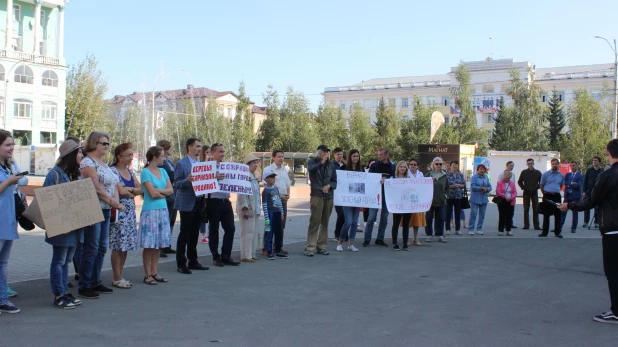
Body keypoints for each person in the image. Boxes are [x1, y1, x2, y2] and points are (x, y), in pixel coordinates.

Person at [559, 139, 618, 324]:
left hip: (612, 230)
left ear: (608, 153)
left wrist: (569, 205)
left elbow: (590, 201)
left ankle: (616, 311)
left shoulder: (607, 176)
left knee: (613, 272)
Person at [78, 131, 124, 299]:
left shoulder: (102, 163)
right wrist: (114, 203)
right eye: (103, 143)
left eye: (108, 143)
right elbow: (95, 187)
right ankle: (85, 284)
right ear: (93, 144)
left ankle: (96, 281)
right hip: (94, 208)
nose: (106, 146)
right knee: (92, 247)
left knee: (102, 246)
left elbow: (114, 185)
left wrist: (114, 202)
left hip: (106, 209)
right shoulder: (87, 162)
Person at [44, 140, 84, 308]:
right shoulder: (55, 174)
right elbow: (46, 199)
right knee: (59, 260)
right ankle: (59, 294)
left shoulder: (74, 174)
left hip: (73, 226)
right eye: (79, 153)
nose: (82, 156)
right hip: (61, 226)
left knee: (66, 260)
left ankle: (64, 292)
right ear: (70, 155)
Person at [174, 138, 209, 274]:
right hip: (186, 202)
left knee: (194, 233)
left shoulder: (201, 163)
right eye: (197, 146)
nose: (199, 149)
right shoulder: (181, 164)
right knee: (185, 233)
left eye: (200, 146)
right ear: (189, 147)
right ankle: (181, 263)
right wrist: (187, 180)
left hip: (199, 201)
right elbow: (176, 183)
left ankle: (193, 260)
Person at [139, 146, 174, 285]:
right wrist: (162, 192)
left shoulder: (163, 171)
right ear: (154, 157)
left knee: (158, 243)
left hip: (162, 210)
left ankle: (155, 271)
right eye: (162, 156)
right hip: (150, 211)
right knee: (149, 244)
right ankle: (147, 273)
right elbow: (152, 194)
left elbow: (171, 190)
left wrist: (158, 191)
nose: (164, 158)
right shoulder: (145, 172)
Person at [109, 143, 142, 288]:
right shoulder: (113, 171)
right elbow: (121, 192)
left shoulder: (130, 172)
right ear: (119, 157)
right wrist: (130, 190)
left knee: (126, 244)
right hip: (119, 213)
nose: (131, 158)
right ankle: (116, 276)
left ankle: (119, 275)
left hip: (129, 213)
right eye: (129, 155)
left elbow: (140, 189)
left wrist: (129, 190)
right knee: (118, 244)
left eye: (132, 155)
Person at [208, 142, 240, 267]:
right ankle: (216, 256)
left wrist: (243, 180)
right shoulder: (208, 167)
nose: (222, 154)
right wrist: (214, 176)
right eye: (220, 151)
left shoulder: (227, 166)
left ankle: (226, 255)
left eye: (223, 151)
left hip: (225, 201)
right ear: (213, 153)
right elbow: (201, 180)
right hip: (213, 201)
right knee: (214, 229)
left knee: (230, 229)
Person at [0, 130, 21, 313]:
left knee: (3, 263)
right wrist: (9, 181)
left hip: (8, 222)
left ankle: (2, 299)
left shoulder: (7, 166)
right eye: (7, 145)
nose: (12, 148)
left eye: (12, 144)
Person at [304, 144, 337, 256]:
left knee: (325, 222)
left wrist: (329, 186)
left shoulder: (331, 165)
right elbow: (311, 170)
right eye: (324, 152)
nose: (326, 154)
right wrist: (321, 163)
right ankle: (310, 247)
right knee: (315, 222)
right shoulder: (312, 162)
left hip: (328, 196)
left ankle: (322, 246)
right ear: (318, 152)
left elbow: (335, 181)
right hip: (317, 195)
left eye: (327, 152)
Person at [363, 148, 395, 247]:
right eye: (378, 154)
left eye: (381, 154)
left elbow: (395, 178)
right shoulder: (374, 166)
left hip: (387, 195)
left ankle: (380, 239)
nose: (379, 156)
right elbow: (369, 179)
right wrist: (378, 180)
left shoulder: (393, 166)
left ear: (386, 155)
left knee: (384, 218)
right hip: (375, 194)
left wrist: (388, 180)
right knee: (371, 217)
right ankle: (367, 239)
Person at [263, 149, 290, 255]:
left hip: (283, 202)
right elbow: (267, 186)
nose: (281, 159)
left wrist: (288, 195)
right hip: (271, 203)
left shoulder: (284, 170)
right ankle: (266, 248)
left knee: (281, 224)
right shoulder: (268, 170)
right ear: (273, 158)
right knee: (269, 224)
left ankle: (278, 246)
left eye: (282, 156)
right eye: (279, 156)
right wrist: (280, 196)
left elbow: (288, 184)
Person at [336, 149, 363, 253]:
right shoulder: (343, 168)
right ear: (350, 157)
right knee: (348, 222)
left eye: (357, 156)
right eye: (354, 156)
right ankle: (340, 243)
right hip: (347, 199)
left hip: (357, 199)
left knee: (355, 223)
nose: (356, 158)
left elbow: (367, 181)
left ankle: (351, 244)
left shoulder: (361, 168)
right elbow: (339, 181)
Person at [237, 154, 262, 262]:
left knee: (254, 232)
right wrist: (244, 208)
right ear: (248, 164)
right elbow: (242, 194)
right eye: (254, 163)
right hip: (248, 209)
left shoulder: (254, 177)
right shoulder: (244, 176)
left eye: (257, 163)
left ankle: (251, 253)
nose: (256, 165)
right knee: (247, 232)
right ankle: (245, 255)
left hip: (255, 208)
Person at [261, 168, 288, 260]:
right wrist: (266, 216)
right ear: (266, 179)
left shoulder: (276, 189)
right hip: (270, 214)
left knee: (279, 232)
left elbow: (278, 201)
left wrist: (282, 212)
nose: (273, 179)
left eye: (274, 177)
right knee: (269, 232)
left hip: (277, 213)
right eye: (271, 177)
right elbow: (264, 204)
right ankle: (269, 251)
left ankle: (278, 250)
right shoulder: (265, 191)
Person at [157, 140, 177, 256]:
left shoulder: (168, 161)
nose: (171, 150)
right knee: (164, 221)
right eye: (169, 148)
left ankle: (166, 244)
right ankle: (160, 246)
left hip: (172, 194)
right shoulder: (162, 162)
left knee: (170, 220)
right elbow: (170, 175)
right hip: (166, 194)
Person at [424, 157, 449, 243]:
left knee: (440, 218)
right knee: (429, 218)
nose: (438, 165)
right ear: (433, 165)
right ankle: (428, 235)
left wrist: (445, 195)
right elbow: (423, 186)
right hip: (430, 201)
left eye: (440, 164)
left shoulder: (445, 175)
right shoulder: (428, 174)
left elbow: (447, 187)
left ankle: (440, 235)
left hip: (441, 200)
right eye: (436, 164)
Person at [539, 158, 564, 238]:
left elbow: (561, 185)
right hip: (547, 195)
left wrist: (555, 191)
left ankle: (557, 232)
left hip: (556, 196)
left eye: (556, 164)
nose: (554, 165)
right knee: (546, 214)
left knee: (558, 214)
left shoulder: (561, 175)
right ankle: (544, 232)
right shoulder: (545, 174)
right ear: (551, 164)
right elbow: (541, 185)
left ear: (558, 164)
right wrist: (545, 194)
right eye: (553, 164)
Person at [391, 161, 413, 251]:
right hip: (397, 204)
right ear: (398, 168)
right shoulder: (393, 179)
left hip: (407, 204)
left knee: (406, 224)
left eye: (404, 167)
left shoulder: (409, 179)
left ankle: (405, 243)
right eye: (401, 167)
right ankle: (395, 243)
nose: (403, 168)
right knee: (396, 223)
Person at [517, 158, 542, 230]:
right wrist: (523, 187)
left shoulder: (538, 172)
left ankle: (536, 225)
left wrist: (536, 187)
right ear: (527, 164)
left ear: (533, 164)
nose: (530, 165)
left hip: (534, 193)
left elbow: (542, 182)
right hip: (526, 193)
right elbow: (519, 181)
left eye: (531, 163)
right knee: (526, 209)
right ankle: (526, 225)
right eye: (529, 163)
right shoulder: (524, 172)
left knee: (536, 209)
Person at [468, 164, 492, 236]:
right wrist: (481, 188)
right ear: (477, 170)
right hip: (475, 198)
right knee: (473, 214)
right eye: (480, 169)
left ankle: (479, 229)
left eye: (483, 169)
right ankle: (471, 229)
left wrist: (486, 189)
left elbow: (490, 187)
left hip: (484, 199)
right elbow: (473, 187)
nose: (482, 170)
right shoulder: (473, 177)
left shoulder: (486, 177)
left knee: (482, 215)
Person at [561, 161, 583, 233]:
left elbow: (579, 185)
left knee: (574, 213)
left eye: (574, 165)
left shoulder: (580, 175)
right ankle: (559, 226)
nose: (572, 167)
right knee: (563, 211)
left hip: (575, 196)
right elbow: (564, 182)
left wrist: (569, 185)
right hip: (567, 195)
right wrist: (571, 183)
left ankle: (573, 228)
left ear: (577, 166)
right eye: (571, 166)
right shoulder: (568, 174)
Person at [407, 158, 426, 246]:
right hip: (408, 200)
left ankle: (415, 238)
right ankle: (406, 238)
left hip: (417, 200)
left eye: (414, 164)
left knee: (416, 220)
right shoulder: (406, 173)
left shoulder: (420, 174)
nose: (413, 166)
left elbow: (424, 185)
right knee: (407, 220)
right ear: (409, 165)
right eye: (411, 164)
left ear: (417, 166)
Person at [445, 161, 465, 236]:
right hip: (449, 197)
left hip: (458, 197)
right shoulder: (447, 175)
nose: (455, 167)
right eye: (453, 165)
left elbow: (464, 185)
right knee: (448, 213)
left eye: (456, 165)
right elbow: (444, 185)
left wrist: (458, 185)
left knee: (457, 213)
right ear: (450, 166)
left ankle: (457, 229)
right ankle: (447, 229)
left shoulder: (460, 174)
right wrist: (451, 186)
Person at [582, 156, 603, 228]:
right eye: (593, 160)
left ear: (599, 162)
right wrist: (584, 191)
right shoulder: (589, 170)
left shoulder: (602, 171)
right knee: (587, 207)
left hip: (598, 192)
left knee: (597, 208)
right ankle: (586, 222)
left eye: (596, 160)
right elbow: (585, 181)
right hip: (589, 191)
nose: (594, 162)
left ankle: (596, 222)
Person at [496, 170, 518, 236]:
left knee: (509, 216)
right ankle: (500, 230)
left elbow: (515, 192)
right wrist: (505, 197)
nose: (506, 176)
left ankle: (509, 230)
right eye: (505, 175)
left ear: (510, 176)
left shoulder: (512, 184)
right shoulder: (499, 183)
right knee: (502, 216)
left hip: (510, 201)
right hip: (502, 201)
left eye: (507, 175)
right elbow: (498, 192)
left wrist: (511, 198)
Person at [332, 147, 346, 242]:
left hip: (346, 193)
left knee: (346, 215)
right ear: (334, 155)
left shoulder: (345, 165)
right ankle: (337, 234)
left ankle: (344, 234)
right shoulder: (332, 165)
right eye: (338, 154)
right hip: (336, 193)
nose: (340, 156)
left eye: (341, 154)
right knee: (341, 214)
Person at [198, 145, 211, 244]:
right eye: (206, 152)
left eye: (210, 152)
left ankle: (209, 234)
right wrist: (206, 160)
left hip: (210, 194)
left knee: (210, 215)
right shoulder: (200, 163)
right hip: (202, 194)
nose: (209, 154)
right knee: (203, 216)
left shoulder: (212, 163)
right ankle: (203, 235)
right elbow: (203, 172)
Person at [361, 159, 377, 228]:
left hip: (375, 192)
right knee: (366, 208)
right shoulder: (365, 171)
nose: (373, 165)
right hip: (366, 191)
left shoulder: (377, 171)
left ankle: (374, 220)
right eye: (371, 163)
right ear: (369, 164)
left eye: (374, 163)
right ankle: (365, 221)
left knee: (374, 206)